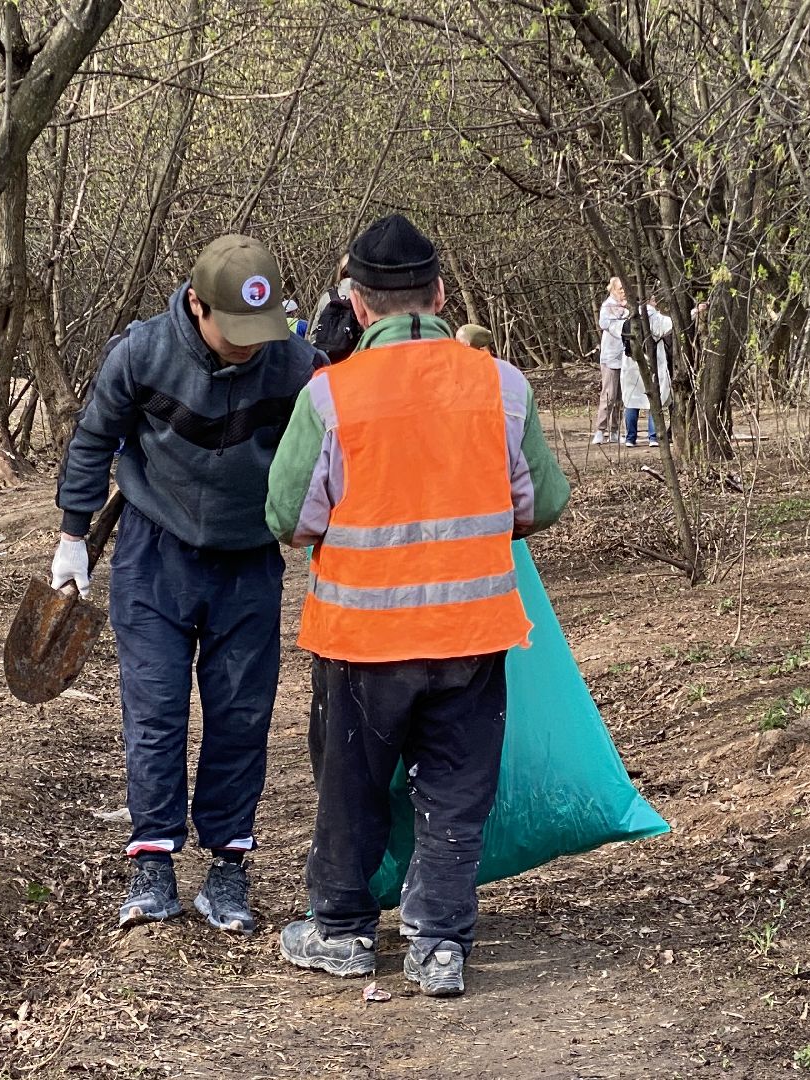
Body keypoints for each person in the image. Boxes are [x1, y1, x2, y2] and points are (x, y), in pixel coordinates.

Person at [265, 214, 570, 998]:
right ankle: (439, 946)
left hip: (362, 638)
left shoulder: (329, 394)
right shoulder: (500, 385)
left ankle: (340, 931)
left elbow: (289, 518)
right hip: (472, 634)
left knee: (352, 785)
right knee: (455, 790)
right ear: (438, 293)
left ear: (359, 308)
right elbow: (542, 502)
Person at [53, 234, 318, 933]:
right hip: (154, 554)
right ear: (195, 305)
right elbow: (91, 440)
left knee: (240, 714)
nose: (246, 346)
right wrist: (71, 536)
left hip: (249, 560)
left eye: (258, 333)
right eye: (232, 330)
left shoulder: (297, 364)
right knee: (156, 713)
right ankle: (154, 864)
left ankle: (228, 869)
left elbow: (331, 452)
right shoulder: (141, 354)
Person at [619, 300, 673, 447]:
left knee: (631, 401)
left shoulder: (626, 316)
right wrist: (695, 312)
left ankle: (630, 438)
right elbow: (673, 323)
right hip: (653, 364)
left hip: (630, 364)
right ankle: (653, 437)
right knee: (654, 400)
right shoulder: (654, 317)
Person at [308, 253, 362, 365]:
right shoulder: (365, 297)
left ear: (340, 271)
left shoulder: (327, 297)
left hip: (327, 362)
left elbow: (313, 335)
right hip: (354, 361)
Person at [593, 278, 629, 445]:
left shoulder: (628, 305)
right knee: (609, 394)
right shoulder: (608, 305)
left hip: (625, 356)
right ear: (613, 289)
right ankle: (600, 430)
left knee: (621, 396)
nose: (623, 291)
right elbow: (605, 323)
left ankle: (615, 430)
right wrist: (622, 315)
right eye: (620, 288)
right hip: (610, 356)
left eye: (624, 288)